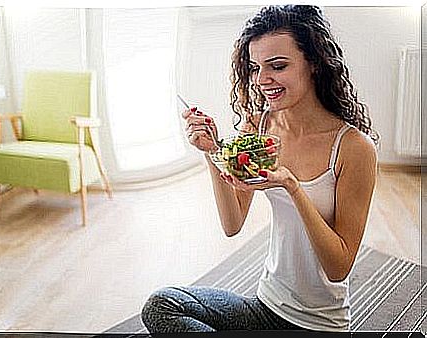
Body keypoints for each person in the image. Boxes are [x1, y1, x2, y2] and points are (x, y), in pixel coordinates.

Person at [141, 5, 379, 332]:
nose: (262, 80)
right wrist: (213, 153)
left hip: (318, 324)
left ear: (313, 64)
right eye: (255, 68)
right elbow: (232, 223)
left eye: (277, 66)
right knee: (161, 305)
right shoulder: (260, 124)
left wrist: (292, 187)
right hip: (265, 304)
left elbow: (338, 266)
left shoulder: (353, 148)